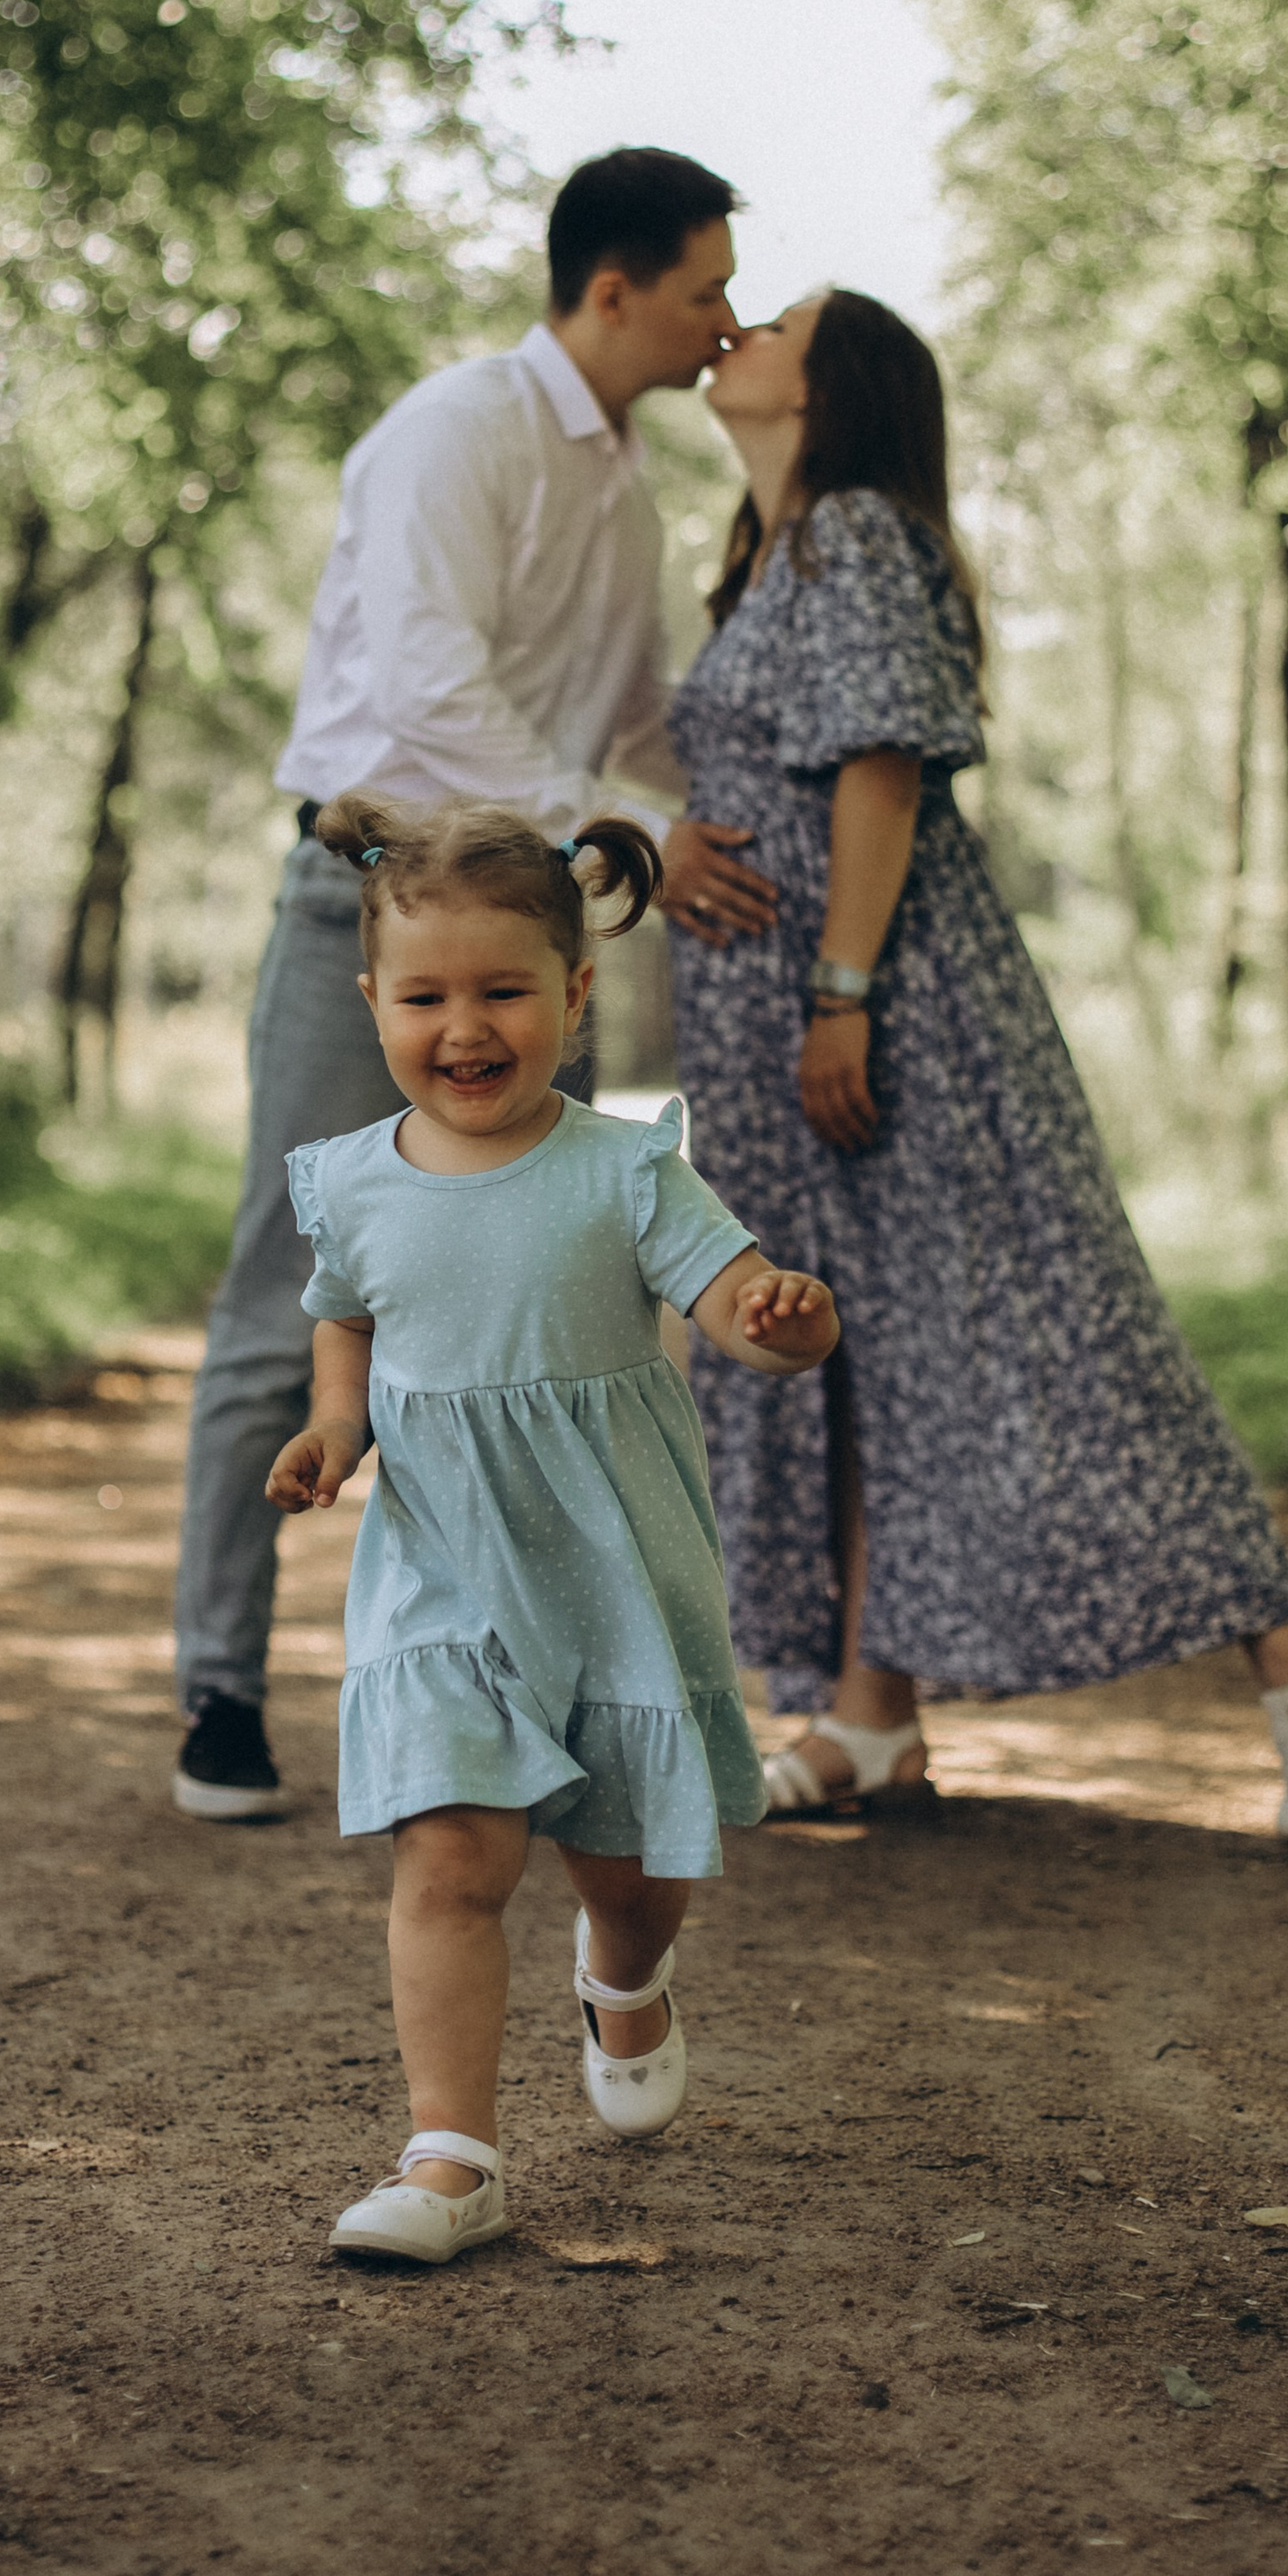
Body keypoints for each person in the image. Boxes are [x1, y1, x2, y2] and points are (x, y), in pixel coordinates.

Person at [668, 289, 1288, 1846]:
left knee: (1035, 1349)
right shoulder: (769, 551)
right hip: (791, 1037)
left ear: (835, 382)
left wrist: (842, 990)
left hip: (893, 1012)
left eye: (773, 321)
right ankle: (867, 1715)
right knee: (846, 1357)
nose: (736, 332)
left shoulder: (857, 531)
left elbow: (882, 766)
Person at [172, 147, 780, 1821]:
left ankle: (541, 1692)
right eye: (706, 288)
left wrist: (693, 829)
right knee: (283, 1291)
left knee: (562, 1305)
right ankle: (222, 1690)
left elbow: (627, 721)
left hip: (535, 928)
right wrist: (631, 810)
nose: (723, 322)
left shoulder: (622, 489)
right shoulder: (460, 431)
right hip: (362, 899)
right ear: (611, 291)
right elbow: (434, 695)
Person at [265, 795, 835, 2266]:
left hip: (613, 1569)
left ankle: (623, 1973)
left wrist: (782, 1323)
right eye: (427, 996)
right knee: (450, 1856)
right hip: (446, 1575)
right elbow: (348, 1327)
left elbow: (734, 1303)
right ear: (373, 1002)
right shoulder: (352, 1180)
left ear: (576, 997)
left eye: (504, 990)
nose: (466, 1026)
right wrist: (336, 1434)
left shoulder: (627, 1168)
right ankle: (451, 2155)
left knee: (633, 1875)